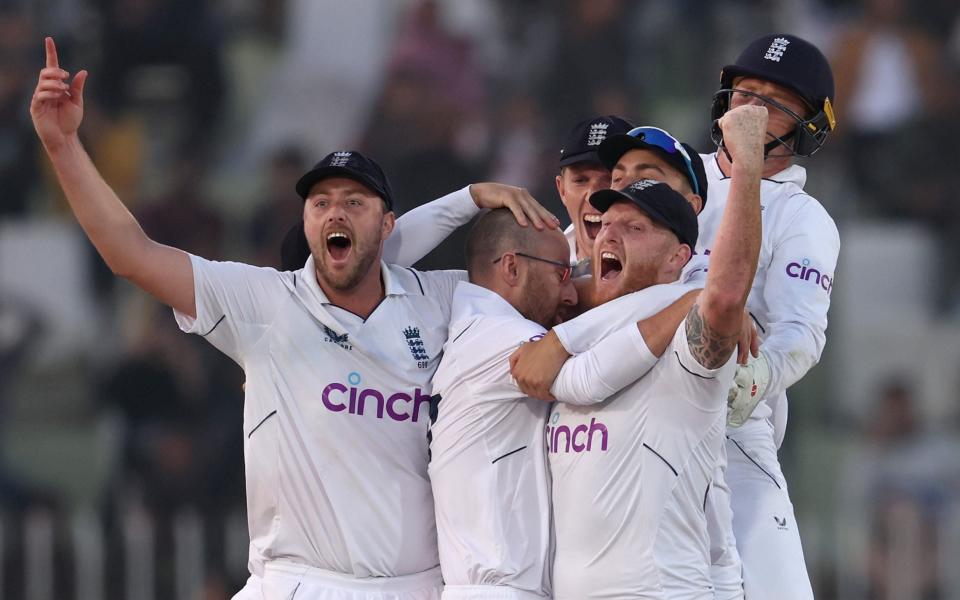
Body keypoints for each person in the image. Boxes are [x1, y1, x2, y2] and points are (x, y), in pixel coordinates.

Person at [29, 37, 556, 600]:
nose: (335, 211)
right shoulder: (265, 303)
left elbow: (548, 285)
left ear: (387, 226)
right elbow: (131, 255)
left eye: (355, 202)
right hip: (297, 584)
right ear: (305, 221)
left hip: (415, 589)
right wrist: (63, 146)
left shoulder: (443, 299)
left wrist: (476, 200)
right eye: (321, 202)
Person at [509, 104, 768, 599]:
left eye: (635, 228)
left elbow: (725, 296)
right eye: (607, 224)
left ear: (678, 258)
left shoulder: (685, 335)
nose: (609, 233)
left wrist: (748, 163)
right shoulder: (573, 320)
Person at [428, 209, 699, 600]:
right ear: (511, 267)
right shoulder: (502, 337)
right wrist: (689, 301)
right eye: (561, 274)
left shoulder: (473, 328)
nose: (572, 295)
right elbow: (589, 379)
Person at [699, 33, 842, 600]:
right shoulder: (668, 178)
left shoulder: (802, 217)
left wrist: (757, 377)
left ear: (810, 126)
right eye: (744, 92)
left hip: (731, 422)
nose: (751, 110)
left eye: (776, 103)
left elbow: (800, 333)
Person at [555, 115, 634, 264]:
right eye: (580, 180)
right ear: (562, 190)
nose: (593, 194)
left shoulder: (676, 266)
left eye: (611, 179)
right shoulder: (539, 267)